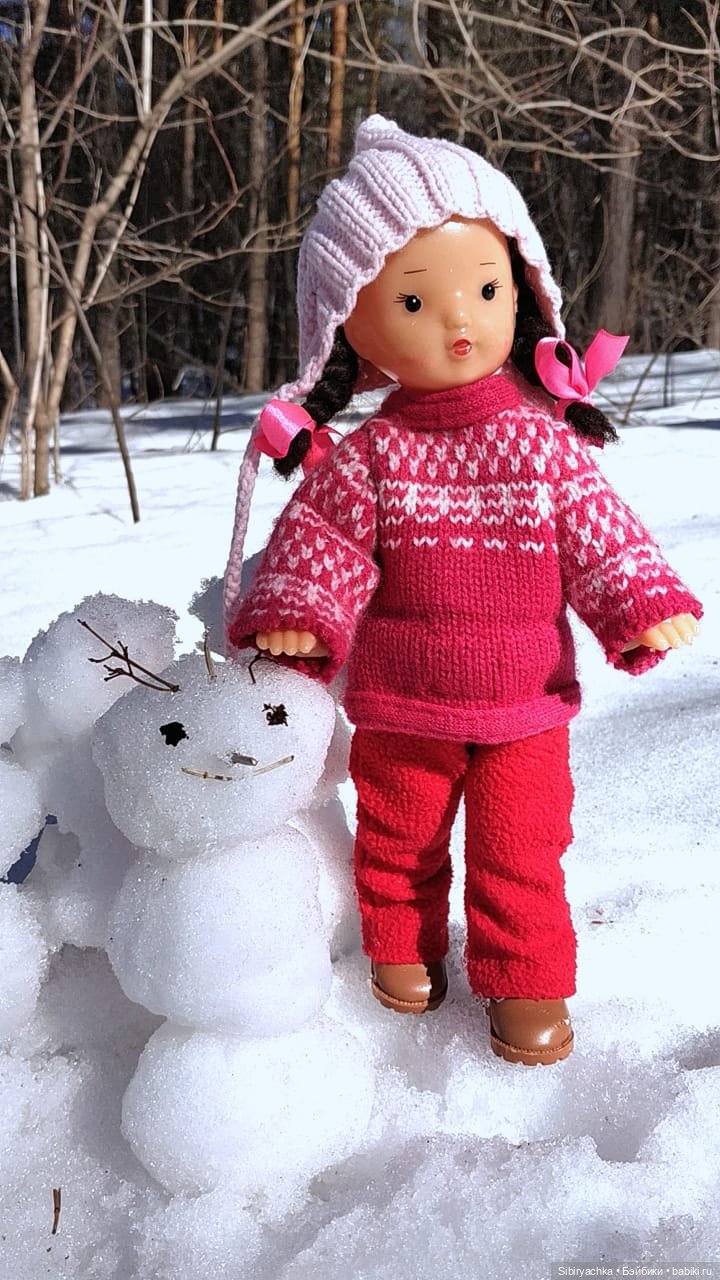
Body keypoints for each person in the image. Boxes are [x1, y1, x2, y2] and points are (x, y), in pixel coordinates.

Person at [223, 116, 702, 1066]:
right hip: (403, 703)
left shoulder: (541, 444)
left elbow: (599, 533)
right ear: (350, 327)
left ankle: (527, 982)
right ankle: (402, 948)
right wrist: (300, 616)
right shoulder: (369, 457)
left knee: (522, 850)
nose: (460, 320)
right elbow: (321, 542)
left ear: (523, 291)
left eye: (486, 289)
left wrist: (641, 600)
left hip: (527, 705)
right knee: (398, 839)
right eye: (413, 300)